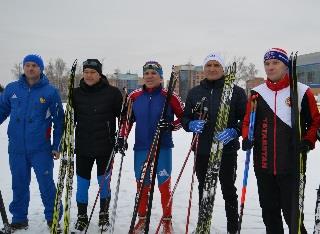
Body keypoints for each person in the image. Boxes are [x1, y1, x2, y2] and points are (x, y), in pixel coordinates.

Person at [242, 48, 320, 234]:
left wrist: (308, 141)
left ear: (286, 66)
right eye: (267, 64)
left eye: (275, 63)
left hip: (291, 164)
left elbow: (316, 122)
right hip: (263, 164)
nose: (270, 67)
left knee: (292, 215)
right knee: (269, 214)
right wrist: (246, 137)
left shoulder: (302, 91)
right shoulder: (257, 93)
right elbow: (247, 121)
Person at [181, 52, 247, 234]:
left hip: (226, 150)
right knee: (204, 189)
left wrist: (235, 131)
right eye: (208, 65)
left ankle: (233, 229)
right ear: (204, 69)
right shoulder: (195, 93)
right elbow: (185, 118)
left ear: (222, 68)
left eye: (216, 65)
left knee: (228, 190)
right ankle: (203, 225)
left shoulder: (236, 92)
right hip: (202, 150)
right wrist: (190, 124)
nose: (212, 69)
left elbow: (247, 120)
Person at [117, 61, 184, 233]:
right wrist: (122, 137)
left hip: (163, 148)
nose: (149, 76)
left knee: (164, 184)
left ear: (160, 76)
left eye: (153, 73)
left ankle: (167, 221)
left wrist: (170, 126)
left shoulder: (170, 96)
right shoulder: (134, 96)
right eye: (146, 73)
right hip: (141, 148)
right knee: (142, 185)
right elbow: (127, 120)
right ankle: (142, 219)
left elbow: (185, 119)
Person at [0, 54, 64, 231]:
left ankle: (53, 217)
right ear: (23, 67)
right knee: (18, 183)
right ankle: (19, 218)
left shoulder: (50, 92)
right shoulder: (12, 89)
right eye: (27, 65)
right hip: (17, 148)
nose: (30, 68)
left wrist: (56, 145)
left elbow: (59, 121)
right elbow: (1, 110)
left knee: (46, 185)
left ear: (41, 68)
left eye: (34, 65)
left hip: (41, 149)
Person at [72, 59, 123, 231]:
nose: (89, 75)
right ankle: (82, 215)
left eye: (93, 72)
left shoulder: (113, 93)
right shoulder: (75, 93)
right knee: (82, 184)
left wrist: (121, 137)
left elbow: (123, 118)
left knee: (104, 183)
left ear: (99, 74)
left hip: (105, 147)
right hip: (83, 147)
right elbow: (70, 120)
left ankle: (103, 214)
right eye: (86, 72)